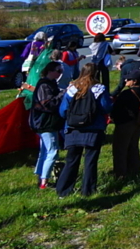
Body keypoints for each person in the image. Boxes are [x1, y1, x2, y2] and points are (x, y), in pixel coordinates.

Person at [56, 63, 113, 197]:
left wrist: (71, 119)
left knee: (71, 160)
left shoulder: (72, 88)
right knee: (90, 161)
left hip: (73, 128)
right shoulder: (99, 88)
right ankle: (88, 191)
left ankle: (63, 190)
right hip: (93, 128)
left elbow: (62, 110)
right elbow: (106, 107)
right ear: (96, 73)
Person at [30, 61, 64, 189]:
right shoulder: (44, 85)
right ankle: (44, 181)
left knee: (44, 151)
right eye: (58, 71)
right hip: (45, 123)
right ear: (50, 71)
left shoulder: (50, 83)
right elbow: (49, 105)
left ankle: (40, 177)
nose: (60, 74)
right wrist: (64, 93)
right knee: (52, 152)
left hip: (44, 122)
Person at [110, 75, 140, 180]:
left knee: (120, 150)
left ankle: (120, 175)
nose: (125, 80)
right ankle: (135, 171)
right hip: (138, 122)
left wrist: (112, 117)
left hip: (125, 123)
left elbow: (116, 108)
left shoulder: (127, 94)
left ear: (135, 81)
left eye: (128, 79)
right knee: (133, 148)